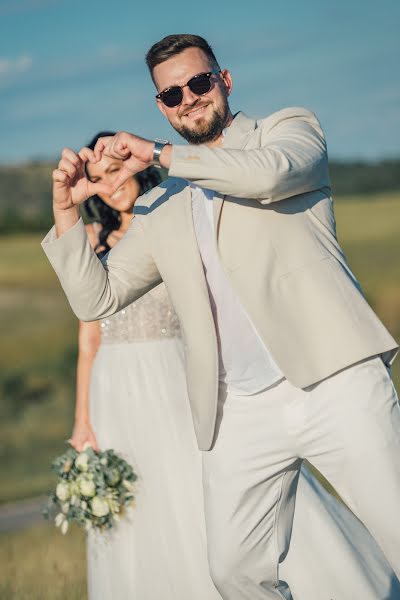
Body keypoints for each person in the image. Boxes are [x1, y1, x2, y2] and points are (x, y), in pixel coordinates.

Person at [42, 34, 400, 599]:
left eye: (198, 83)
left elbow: (266, 176)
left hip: (334, 380)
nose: (188, 98)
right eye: (171, 94)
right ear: (160, 105)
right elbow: (97, 299)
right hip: (238, 412)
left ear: (225, 81)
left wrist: (157, 154)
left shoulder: (288, 130)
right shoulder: (164, 206)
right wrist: (64, 211)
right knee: (234, 572)